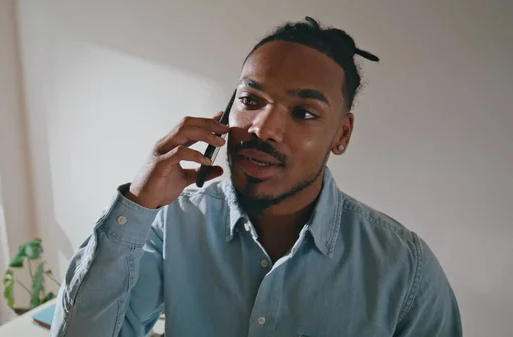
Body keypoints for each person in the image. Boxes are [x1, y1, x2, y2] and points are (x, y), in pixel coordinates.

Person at [50, 17, 462, 337]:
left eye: (303, 112)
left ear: (342, 134)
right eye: (250, 100)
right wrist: (137, 203)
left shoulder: (403, 267)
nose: (263, 129)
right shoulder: (172, 221)